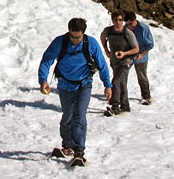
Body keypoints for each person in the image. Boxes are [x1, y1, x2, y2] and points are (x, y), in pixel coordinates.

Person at [38, 17, 113, 166]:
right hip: (64, 85)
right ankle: (67, 146)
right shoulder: (60, 42)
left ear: (83, 33)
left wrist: (108, 85)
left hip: (84, 84)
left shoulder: (90, 43)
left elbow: (102, 64)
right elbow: (47, 60)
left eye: (77, 37)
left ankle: (79, 151)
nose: (74, 39)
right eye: (72, 36)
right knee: (68, 116)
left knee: (79, 115)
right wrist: (43, 80)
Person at [100, 10, 139, 116]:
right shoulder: (108, 30)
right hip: (115, 61)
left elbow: (136, 48)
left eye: (120, 20)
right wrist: (106, 50)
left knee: (116, 81)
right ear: (112, 20)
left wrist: (124, 53)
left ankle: (115, 105)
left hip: (126, 62)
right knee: (122, 83)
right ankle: (125, 105)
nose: (118, 22)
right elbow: (103, 37)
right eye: (115, 20)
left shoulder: (127, 33)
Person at [124, 11, 155, 105]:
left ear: (134, 21)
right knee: (122, 75)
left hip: (141, 55)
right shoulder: (125, 28)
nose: (129, 26)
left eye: (130, 24)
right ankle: (120, 95)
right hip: (128, 54)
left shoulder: (144, 28)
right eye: (127, 24)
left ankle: (146, 97)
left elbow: (150, 44)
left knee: (142, 77)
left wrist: (142, 54)